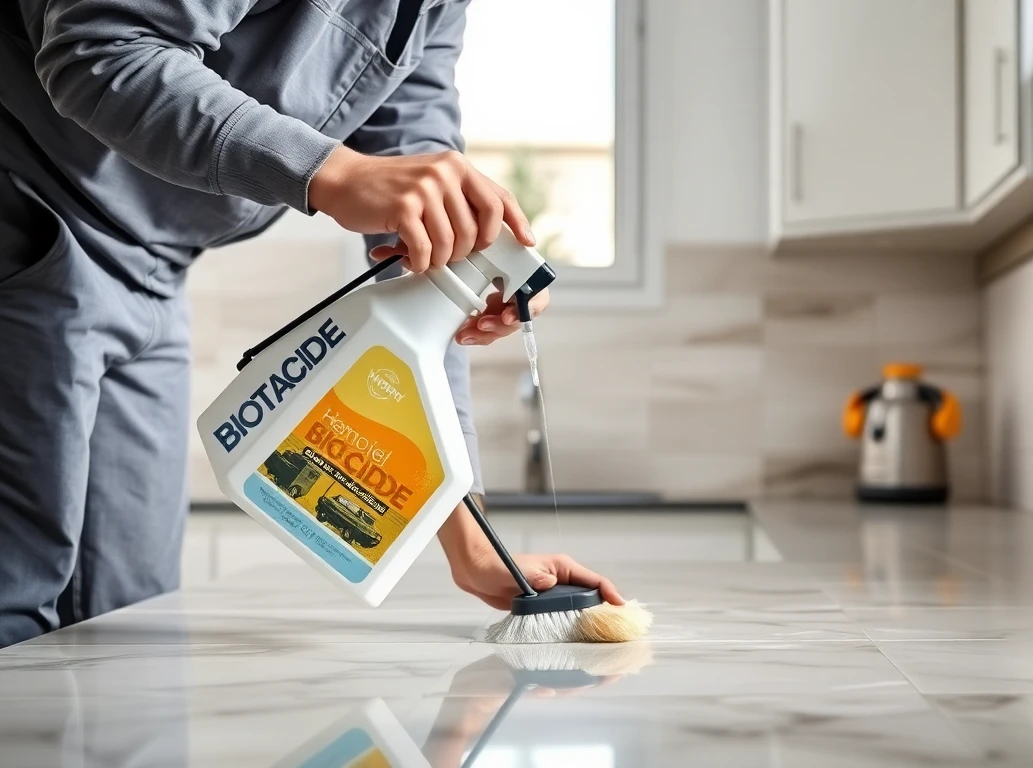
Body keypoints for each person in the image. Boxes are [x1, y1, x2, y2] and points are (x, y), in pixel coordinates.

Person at [0, 0, 623, 648]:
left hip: (155, 266)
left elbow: (423, 263)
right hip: (29, 216)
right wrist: (337, 172)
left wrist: (472, 542)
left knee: (128, 628)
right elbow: (96, 48)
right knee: (15, 603)